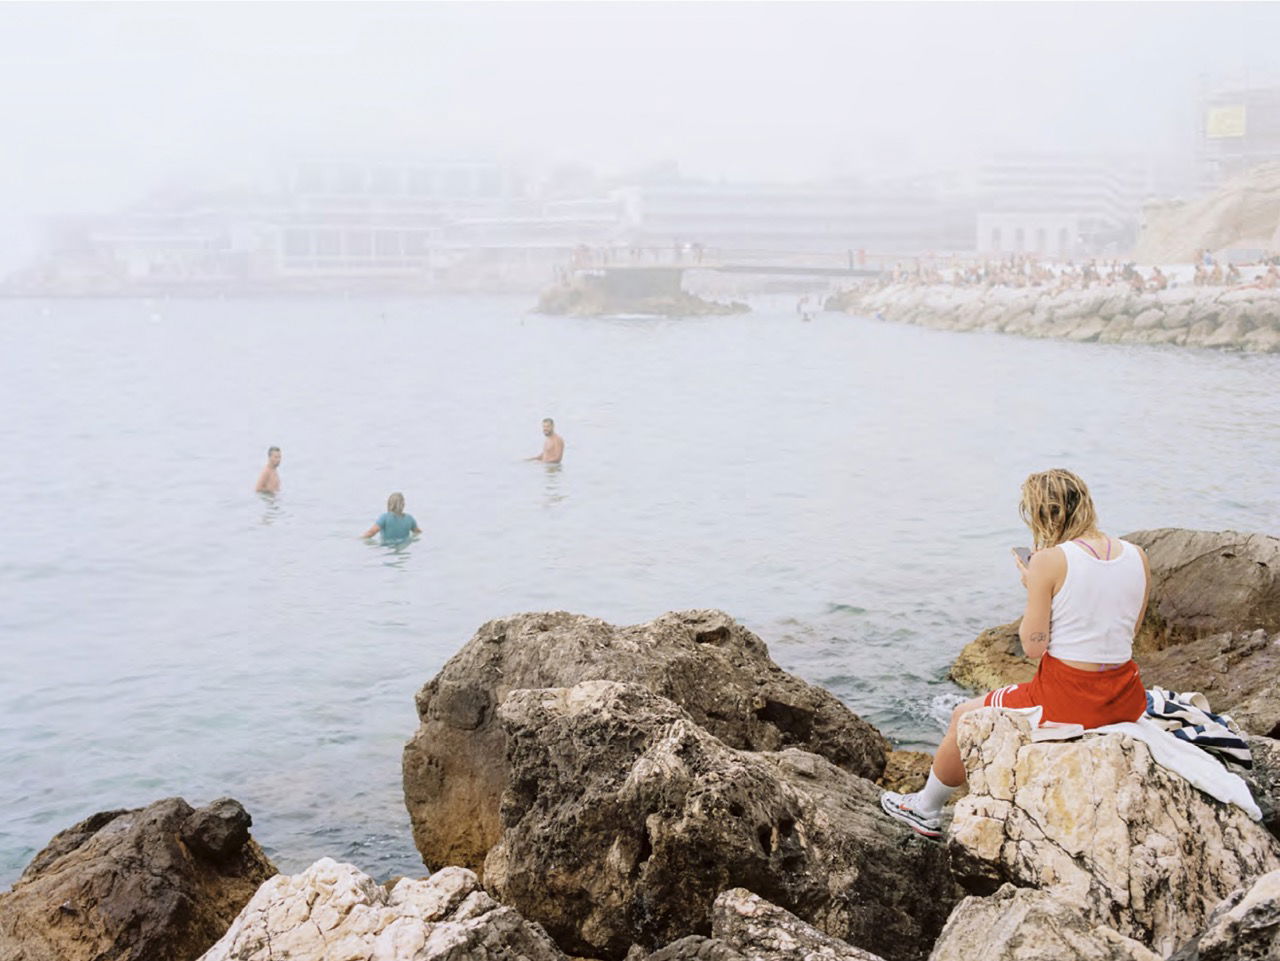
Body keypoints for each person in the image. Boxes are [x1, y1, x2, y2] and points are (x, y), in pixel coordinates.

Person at [880, 469, 1151, 839]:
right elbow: (1129, 633)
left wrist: (1033, 584)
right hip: (1126, 698)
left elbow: (1034, 647)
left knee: (962, 716)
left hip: (1069, 699)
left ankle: (925, 810)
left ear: (1039, 514)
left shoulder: (1049, 560)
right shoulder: (1137, 555)